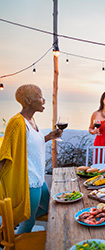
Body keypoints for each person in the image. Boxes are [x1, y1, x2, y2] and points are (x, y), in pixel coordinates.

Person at [0, 84, 62, 233]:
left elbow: (30, 144)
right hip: (28, 181)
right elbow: (5, 153)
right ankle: (12, 240)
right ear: (28, 100)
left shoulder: (31, 121)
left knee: (49, 208)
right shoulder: (17, 122)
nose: (44, 100)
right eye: (40, 97)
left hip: (39, 178)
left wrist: (48, 137)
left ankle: (10, 227)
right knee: (28, 221)